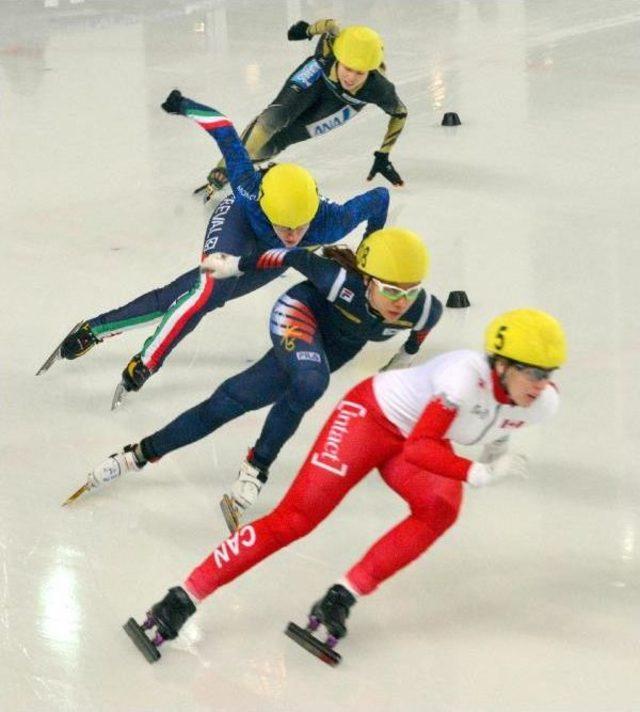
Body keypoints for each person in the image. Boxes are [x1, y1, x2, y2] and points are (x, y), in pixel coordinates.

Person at [122, 308, 567, 664]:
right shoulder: (463, 377)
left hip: (415, 439)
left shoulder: (541, 401)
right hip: (371, 419)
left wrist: (495, 446)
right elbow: (420, 449)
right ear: (502, 365)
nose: (541, 384)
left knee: (440, 510)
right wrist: (481, 472)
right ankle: (182, 597)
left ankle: (340, 598)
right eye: (533, 373)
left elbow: (498, 419)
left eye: (549, 373)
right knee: (296, 519)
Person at [69, 228, 442, 534]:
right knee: (312, 382)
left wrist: (405, 356)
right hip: (298, 316)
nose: (400, 302)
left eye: (409, 292)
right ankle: (257, 468)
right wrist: (235, 266)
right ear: (365, 279)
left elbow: (422, 327)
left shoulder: (423, 309)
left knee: (229, 402)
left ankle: (137, 454)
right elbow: (290, 256)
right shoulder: (337, 280)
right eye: (391, 290)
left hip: (334, 346)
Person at [38, 91, 389, 402]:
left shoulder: (331, 222)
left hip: (270, 255)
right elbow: (224, 131)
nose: (293, 235)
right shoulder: (249, 190)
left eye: (301, 227)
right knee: (207, 294)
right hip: (239, 221)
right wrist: (185, 106)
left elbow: (380, 199)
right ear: (267, 208)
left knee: (190, 295)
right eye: (285, 227)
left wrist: (367, 252)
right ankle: (148, 360)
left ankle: (93, 328)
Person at [195, 21, 407, 203]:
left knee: (278, 141)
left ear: (370, 71)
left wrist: (383, 153)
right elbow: (331, 25)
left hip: (344, 103)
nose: (350, 77)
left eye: (359, 72)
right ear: (338, 57)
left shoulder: (380, 89)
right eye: (347, 67)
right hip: (316, 76)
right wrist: (307, 30)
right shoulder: (328, 50)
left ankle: (243, 155)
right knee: (274, 117)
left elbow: (400, 114)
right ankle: (224, 168)